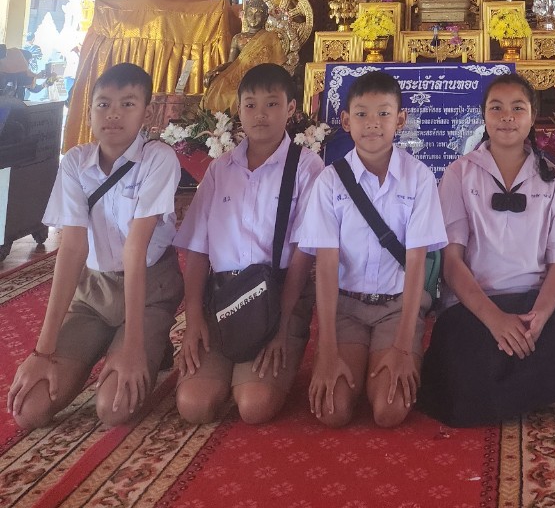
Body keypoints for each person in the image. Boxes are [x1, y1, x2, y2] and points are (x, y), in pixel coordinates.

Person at [6, 62, 183, 431]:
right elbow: (72, 250)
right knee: (30, 410)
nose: (113, 114)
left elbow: (136, 250)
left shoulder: (158, 159)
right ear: (88, 112)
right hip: (93, 296)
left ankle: (143, 341)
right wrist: (42, 350)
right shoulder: (75, 163)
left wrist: (133, 348)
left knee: (113, 408)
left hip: (149, 290)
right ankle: (108, 341)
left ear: (148, 113)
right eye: (103, 104)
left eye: (127, 104)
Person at [419, 75, 555, 426]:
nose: (507, 117)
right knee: (464, 390)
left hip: (533, 301)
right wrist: (494, 319)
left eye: (518, 108)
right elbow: (451, 262)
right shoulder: (459, 174)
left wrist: (538, 318)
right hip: (474, 305)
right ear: (484, 116)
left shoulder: (554, 178)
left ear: (532, 116)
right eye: (496, 108)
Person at [174, 63, 323, 425]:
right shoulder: (220, 169)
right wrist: (194, 319)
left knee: (254, 405)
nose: (260, 114)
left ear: (291, 109)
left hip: (277, 297)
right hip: (223, 299)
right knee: (194, 406)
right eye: (251, 105)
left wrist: (282, 325)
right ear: (238, 110)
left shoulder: (306, 167)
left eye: (272, 104)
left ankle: (251, 374)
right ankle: (223, 369)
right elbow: (197, 248)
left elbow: (303, 254)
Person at [297, 71, 447, 428]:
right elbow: (326, 266)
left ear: (401, 119)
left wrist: (402, 348)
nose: (373, 123)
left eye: (384, 113)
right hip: (347, 307)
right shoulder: (329, 181)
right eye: (362, 114)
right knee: (332, 411)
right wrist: (326, 349)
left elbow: (416, 264)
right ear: (346, 120)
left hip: (397, 307)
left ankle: (391, 353)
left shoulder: (419, 177)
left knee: (388, 411)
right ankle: (352, 356)